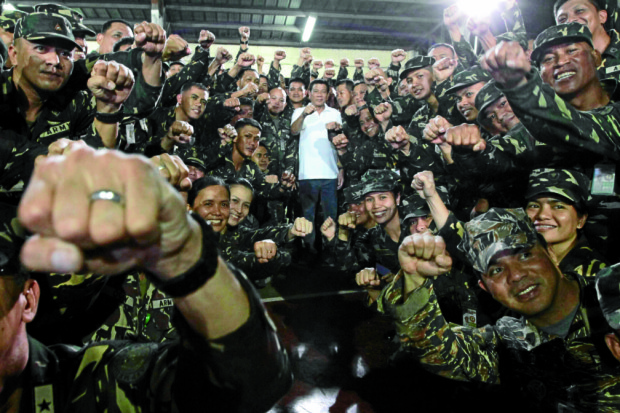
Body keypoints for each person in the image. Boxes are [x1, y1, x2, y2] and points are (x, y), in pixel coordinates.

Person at [1, 146, 292, 412]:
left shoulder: (84, 385)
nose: (219, 213)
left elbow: (250, 382)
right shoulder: (101, 279)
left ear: (28, 300)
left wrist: (184, 256)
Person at [378, 208, 620, 411]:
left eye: (525, 255)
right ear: (485, 287)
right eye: (496, 270)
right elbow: (435, 349)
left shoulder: (612, 292)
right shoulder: (509, 343)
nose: (516, 275)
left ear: (551, 254)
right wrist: (413, 280)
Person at [525, 168, 608, 277]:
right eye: (534, 206)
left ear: (581, 220)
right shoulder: (511, 261)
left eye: (558, 207)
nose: (542, 215)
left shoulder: (598, 273)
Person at [291, 79, 343, 252]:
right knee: (307, 218)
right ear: (309, 93)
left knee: (331, 218)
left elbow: (340, 143)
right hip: (307, 174)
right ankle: (309, 254)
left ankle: (331, 253)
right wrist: (304, 115)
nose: (319, 94)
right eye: (316, 91)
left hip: (330, 174)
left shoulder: (335, 113)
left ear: (328, 94)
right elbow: (294, 131)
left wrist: (341, 168)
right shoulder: (299, 111)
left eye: (323, 91)